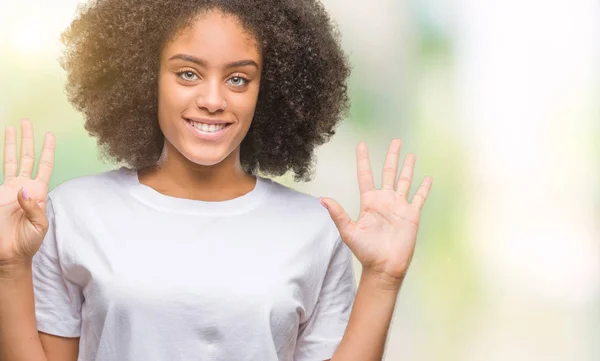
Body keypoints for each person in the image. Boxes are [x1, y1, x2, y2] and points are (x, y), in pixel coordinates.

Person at [0, 0, 433, 360]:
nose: (212, 100)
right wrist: (9, 267)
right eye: (188, 73)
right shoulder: (76, 211)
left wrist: (382, 277)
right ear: (146, 77)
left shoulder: (314, 228)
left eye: (238, 79)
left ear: (268, 89)